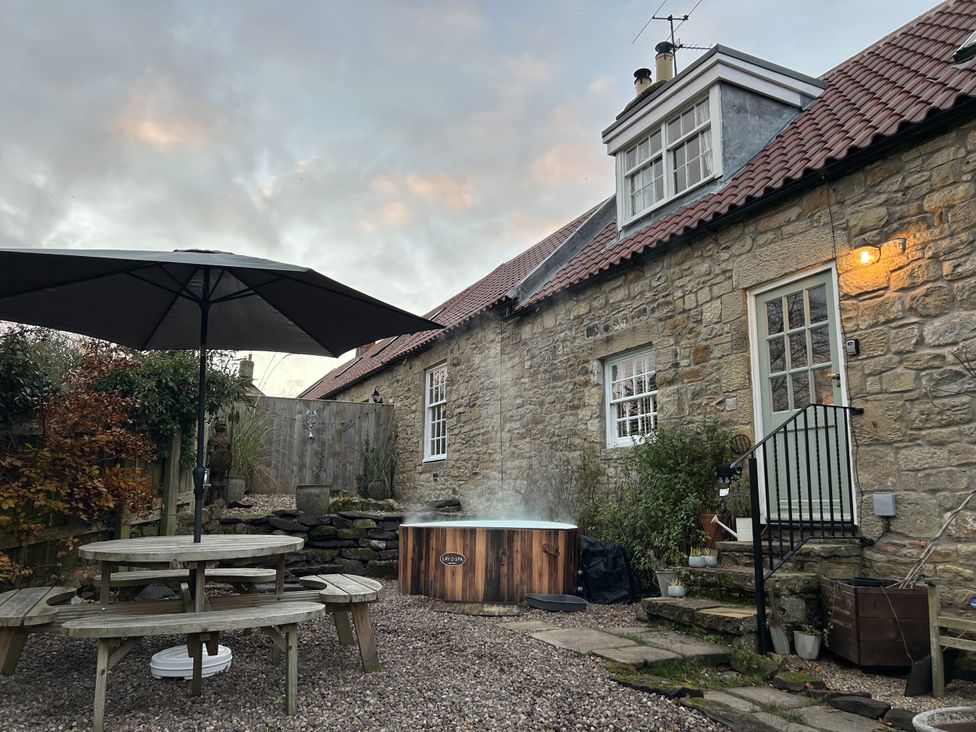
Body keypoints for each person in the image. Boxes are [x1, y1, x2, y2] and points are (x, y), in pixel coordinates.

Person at [206, 420, 233, 503]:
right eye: (221, 425)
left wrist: (230, 463)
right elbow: (211, 452)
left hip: (224, 465)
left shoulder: (227, 440)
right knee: (214, 484)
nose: (222, 427)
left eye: (224, 425)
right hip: (215, 465)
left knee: (222, 484)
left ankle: (220, 503)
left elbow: (229, 453)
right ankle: (213, 503)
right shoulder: (213, 439)